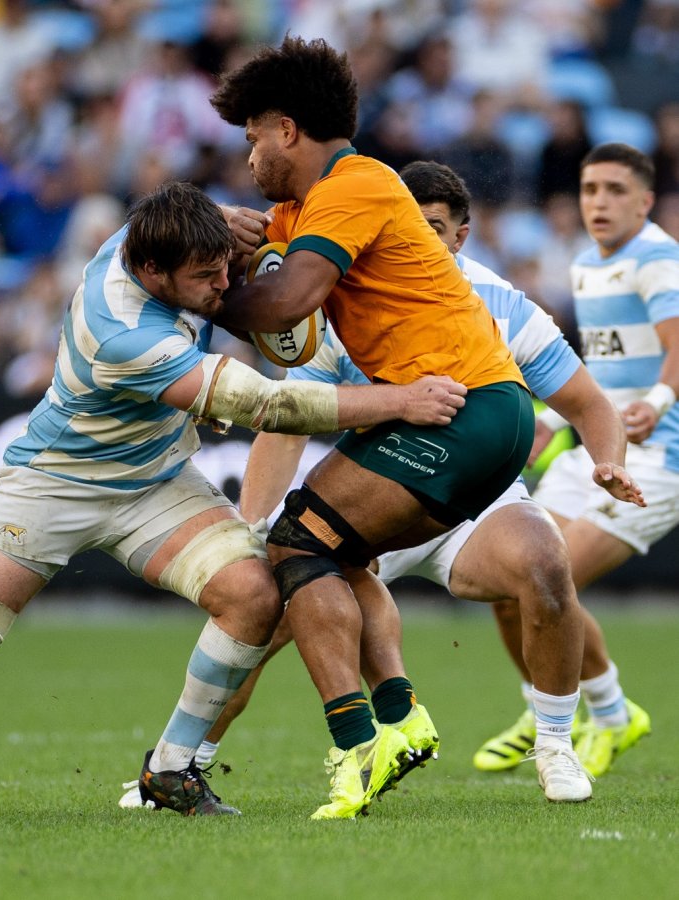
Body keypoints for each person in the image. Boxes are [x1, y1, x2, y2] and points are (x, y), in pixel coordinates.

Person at [0, 181, 468, 821]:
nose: (223, 286)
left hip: (154, 484)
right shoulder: (125, 334)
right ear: (152, 275)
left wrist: (223, 222)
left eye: (219, 266)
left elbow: (163, 216)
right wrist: (399, 400)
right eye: (205, 277)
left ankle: (170, 770)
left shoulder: (151, 242)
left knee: (253, 594)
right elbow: (267, 402)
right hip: (54, 486)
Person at [119, 160, 644, 809]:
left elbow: (591, 404)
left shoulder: (504, 305)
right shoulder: (339, 295)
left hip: (468, 493)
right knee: (272, 603)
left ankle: (558, 746)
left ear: (460, 236)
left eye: (433, 230)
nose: (417, 241)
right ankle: (183, 765)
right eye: (406, 229)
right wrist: (253, 531)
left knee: (544, 562)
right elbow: (286, 424)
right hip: (378, 494)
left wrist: (607, 460)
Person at [207, 36, 610, 816]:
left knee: (296, 548)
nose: (248, 153)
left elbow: (287, 306)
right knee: (319, 557)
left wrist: (197, 298)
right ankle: (383, 723)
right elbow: (284, 336)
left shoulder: (357, 185)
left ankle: (379, 736)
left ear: (287, 129)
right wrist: (228, 242)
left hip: (465, 417)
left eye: (253, 132)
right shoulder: (303, 210)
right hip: (424, 433)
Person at [477, 142, 679, 777]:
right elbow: (605, 371)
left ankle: (601, 715)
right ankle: (553, 705)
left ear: (645, 201)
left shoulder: (656, 259)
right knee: (512, 584)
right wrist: (551, 418)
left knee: (550, 580)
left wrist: (660, 399)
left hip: (657, 457)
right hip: (597, 446)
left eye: (615, 191)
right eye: (590, 189)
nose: (598, 202)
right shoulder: (589, 263)